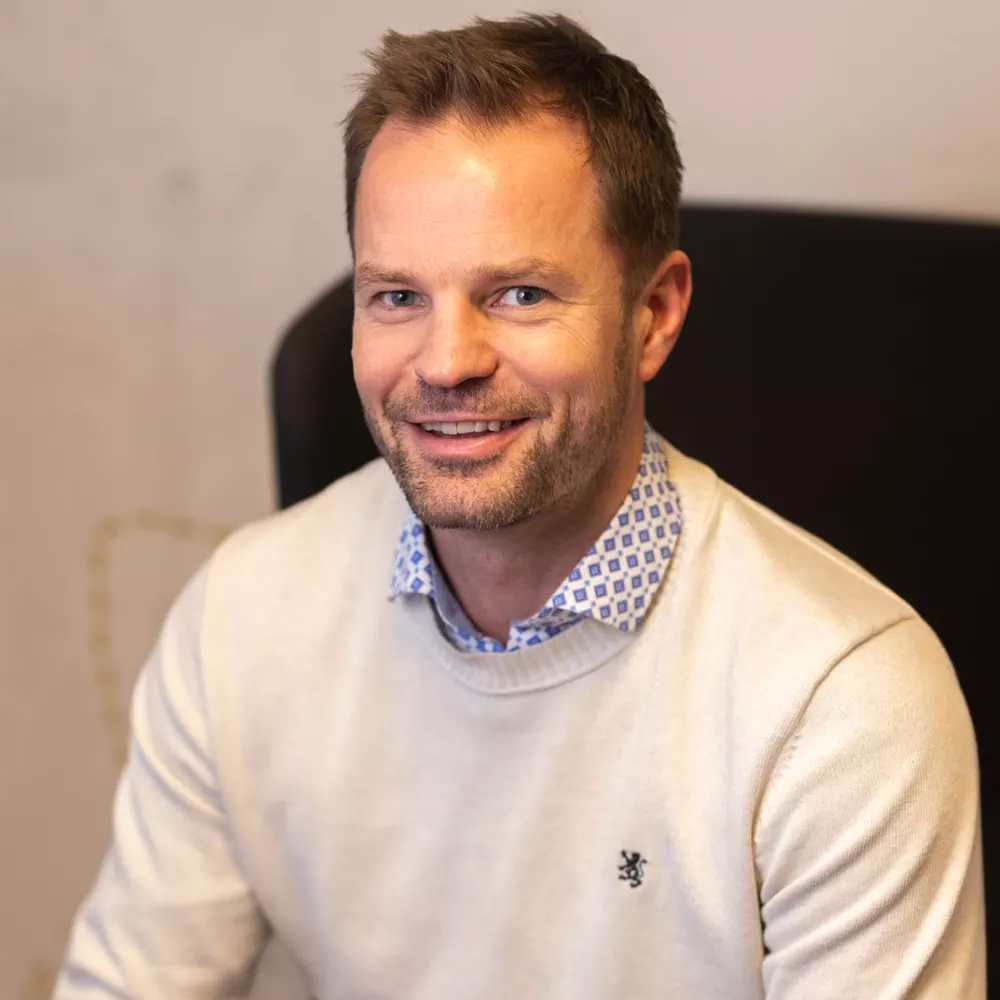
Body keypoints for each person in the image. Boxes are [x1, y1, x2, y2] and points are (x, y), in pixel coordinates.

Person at [54, 13, 985, 1000]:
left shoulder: (838, 705)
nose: (447, 362)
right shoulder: (241, 617)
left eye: (519, 294)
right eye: (396, 296)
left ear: (652, 316)